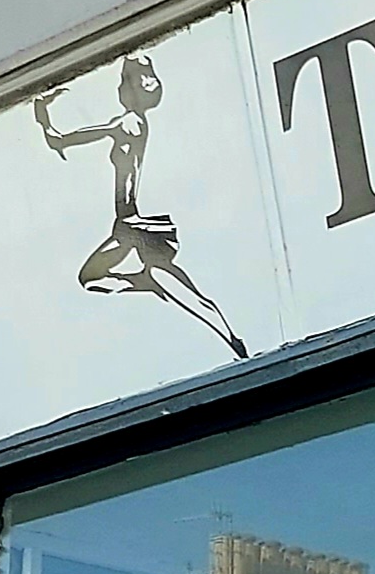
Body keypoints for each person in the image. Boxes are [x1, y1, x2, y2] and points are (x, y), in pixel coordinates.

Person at [32, 52, 246, 357]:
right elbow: (62, 141)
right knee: (95, 278)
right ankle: (151, 285)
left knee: (105, 279)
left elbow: (64, 139)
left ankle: (231, 340)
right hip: (126, 227)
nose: (120, 87)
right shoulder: (135, 122)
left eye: (125, 81)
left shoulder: (128, 123)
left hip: (132, 227)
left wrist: (43, 116)